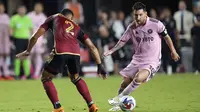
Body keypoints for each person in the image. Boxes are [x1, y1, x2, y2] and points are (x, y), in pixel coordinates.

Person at [16, 9, 107, 112]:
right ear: (71, 17)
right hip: (75, 54)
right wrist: (100, 65)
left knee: (46, 78)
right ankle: (92, 105)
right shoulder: (76, 26)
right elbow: (92, 47)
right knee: (76, 78)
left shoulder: (54, 18)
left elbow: (35, 36)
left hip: (60, 51)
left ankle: (57, 107)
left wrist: (28, 51)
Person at [103, 2, 180, 111]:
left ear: (146, 14)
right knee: (125, 82)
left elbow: (166, 37)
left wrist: (173, 51)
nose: (138, 18)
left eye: (140, 15)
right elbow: (122, 41)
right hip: (137, 59)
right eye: (136, 15)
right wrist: (111, 50)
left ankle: (119, 99)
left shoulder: (156, 24)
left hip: (152, 61)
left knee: (138, 77)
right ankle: (119, 106)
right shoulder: (132, 27)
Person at [10, 5, 33, 79]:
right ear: (18, 10)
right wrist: (11, 37)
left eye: (23, 9)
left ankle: (28, 74)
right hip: (17, 39)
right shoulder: (14, 18)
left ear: (25, 10)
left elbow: (31, 29)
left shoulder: (28, 19)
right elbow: (10, 28)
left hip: (26, 39)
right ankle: (16, 74)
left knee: (26, 57)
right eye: (21, 9)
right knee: (18, 57)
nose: (22, 11)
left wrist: (32, 38)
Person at [28, 2, 47, 79]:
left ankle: (36, 73)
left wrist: (45, 39)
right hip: (30, 37)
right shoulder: (29, 15)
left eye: (39, 7)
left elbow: (46, 28)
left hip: (40, 38)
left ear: (42, 8)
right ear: (34, 7)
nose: (38, 8)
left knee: (38, 55)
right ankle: (30, 71)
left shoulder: (43, 17)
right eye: (37, 7)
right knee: (29, 55)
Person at [0, 2, 14, 80]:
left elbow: (9, 28)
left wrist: (11, 38)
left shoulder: (6, 17)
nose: (1, 9)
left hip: (5, 39)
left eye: (2, 7)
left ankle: (6, 73)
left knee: (6, 56)